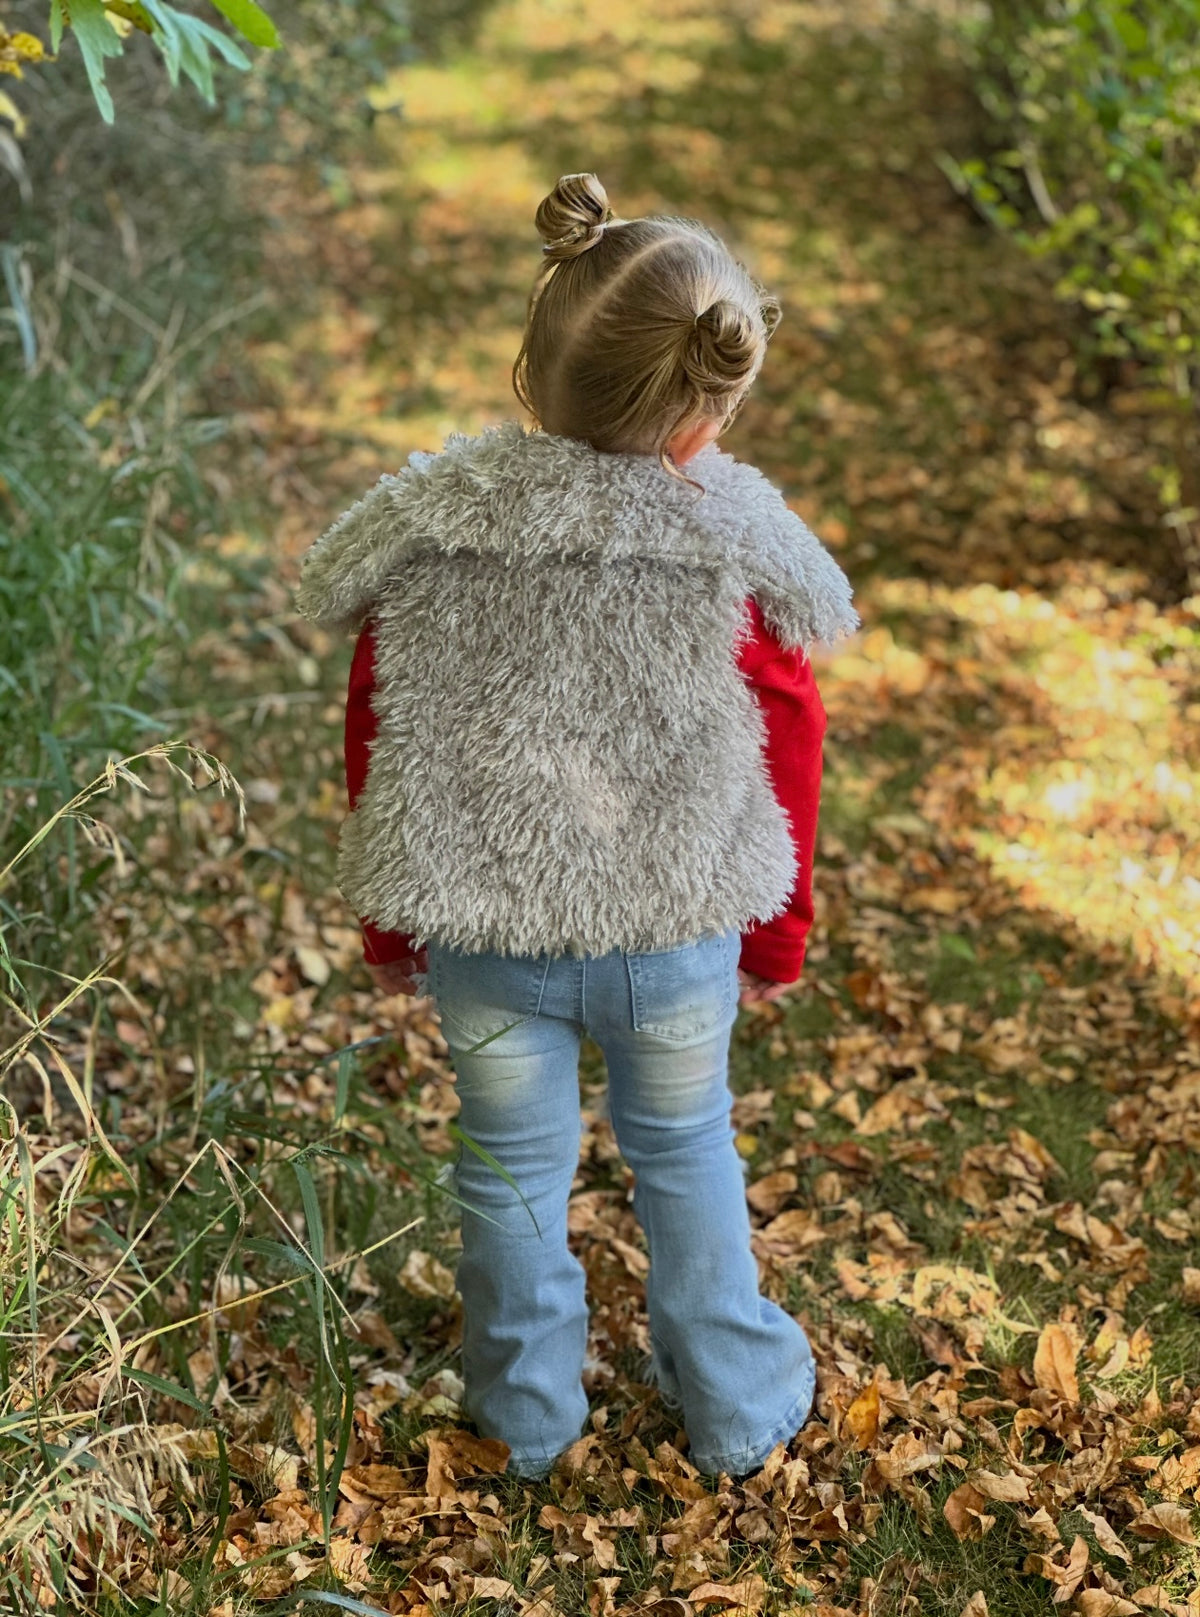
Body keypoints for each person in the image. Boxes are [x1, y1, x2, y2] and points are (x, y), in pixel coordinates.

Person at [296, 172, 858, 1482]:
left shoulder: (437, 528)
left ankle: (526, 1416)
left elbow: (383, 724)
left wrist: (393, 919)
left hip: (490, 933)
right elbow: (790, 736)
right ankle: (736, 1404)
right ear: (711, 405)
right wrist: (779, 928)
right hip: (675, 930)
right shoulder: (734, 544)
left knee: (506, 1166)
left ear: (532, 369)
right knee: (687, 1148)